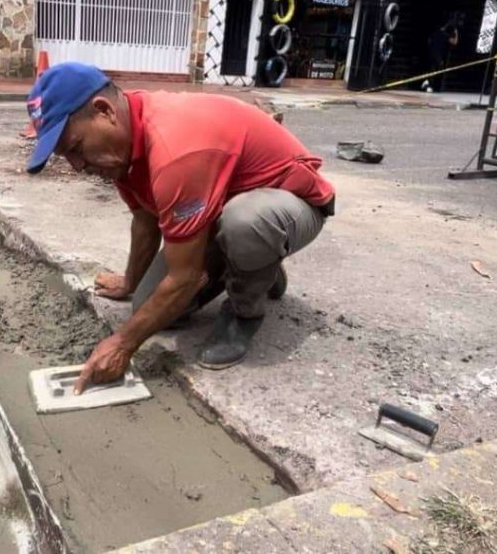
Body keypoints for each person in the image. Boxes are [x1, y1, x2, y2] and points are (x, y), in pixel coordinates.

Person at [24, 63, 335, 394]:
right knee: (147, 305)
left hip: (293, 203)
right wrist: (131, 281)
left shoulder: (175, 149)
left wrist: (123, 344)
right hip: (221, 209)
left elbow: (186, 277)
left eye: (75, 148)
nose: (77, 165)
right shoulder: (124, 143)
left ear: (104, 112)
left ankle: (245, 312)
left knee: (243, 225)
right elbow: (145, 220)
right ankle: (258, 265)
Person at [422, 19, 459, 93]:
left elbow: (429, 42)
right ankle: (429, 85)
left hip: (431, 54)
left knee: (431, 70)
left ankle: (427, 83)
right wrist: (456, 32)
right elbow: (454, 42)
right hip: (438, 56)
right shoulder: (444, 35)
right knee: (436, 71)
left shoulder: (434, 33)